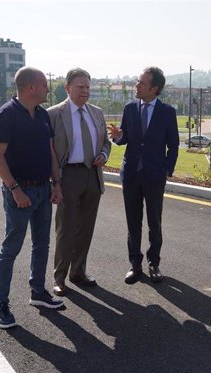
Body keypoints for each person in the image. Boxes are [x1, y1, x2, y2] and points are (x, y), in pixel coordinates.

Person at [0, 66, 65, 329]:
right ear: (31, 87)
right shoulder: (7, 114)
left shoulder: (43, 115)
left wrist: (56, 184)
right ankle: (0, 303)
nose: (48, 88)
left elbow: (51, 152)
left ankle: (38, 292)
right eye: (45, 84)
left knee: (42, 244)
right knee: (11, 248)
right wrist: (14, 189)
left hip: (44, 190)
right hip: (19, 193)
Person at [108, 66, 179, 284]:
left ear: (154, 88)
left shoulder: (167, 112)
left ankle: (154, 263)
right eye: (138, 82)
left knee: (154, 222)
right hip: (130, 174)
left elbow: (173, 145)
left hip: (154, 175)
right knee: (133, 222)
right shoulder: (130, 108)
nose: (136, 86)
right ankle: (135, 264)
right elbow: (124, 138)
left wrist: (167, 169)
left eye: (141, 83)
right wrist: (118, 137)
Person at [47, 68, 111, 296]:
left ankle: (78, 271)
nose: (85, 91)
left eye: (87, 87)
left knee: (86, 228)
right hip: (68, 176)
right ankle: (60, 277)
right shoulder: (54, 114)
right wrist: (54, 181)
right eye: (80, 87)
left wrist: (104, 155)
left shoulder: (97, 113)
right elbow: (49, 150)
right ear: (67, 88)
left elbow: (106, 142)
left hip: (92, 175)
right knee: (66, 229)